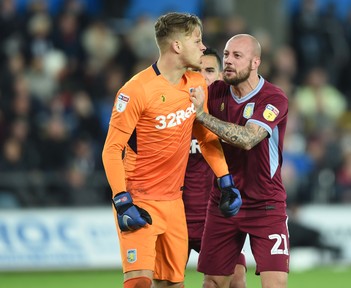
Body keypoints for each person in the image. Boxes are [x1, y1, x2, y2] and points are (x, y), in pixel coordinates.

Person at [102, 12, 242, 288]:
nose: (203, 48)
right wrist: (122, 201)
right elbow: (111, 149)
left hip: (174, 202)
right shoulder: (136, 91)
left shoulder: (196, 84)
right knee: (139, 281)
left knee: (172, 285)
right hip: (139, 199)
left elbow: (204, 137)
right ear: (177, 46)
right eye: (197, 40)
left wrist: (225, 181)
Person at [190, 34, 290, 288]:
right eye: (226, 55)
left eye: (237, 56)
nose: (229, 62)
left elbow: (247, 139)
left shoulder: (273, 98)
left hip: (265, 203)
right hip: (225, 200)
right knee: (213, 283)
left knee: (275, 284)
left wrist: (203, 116)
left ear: (255, 62)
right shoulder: (215, 92)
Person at [183, 47, 247, 288]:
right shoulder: (171, 114)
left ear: (221, 75)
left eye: (209, 70)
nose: (202, 76)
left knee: (236, 281)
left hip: (216, 217)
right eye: (195, 70)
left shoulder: (229, 115)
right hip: (176, 217)